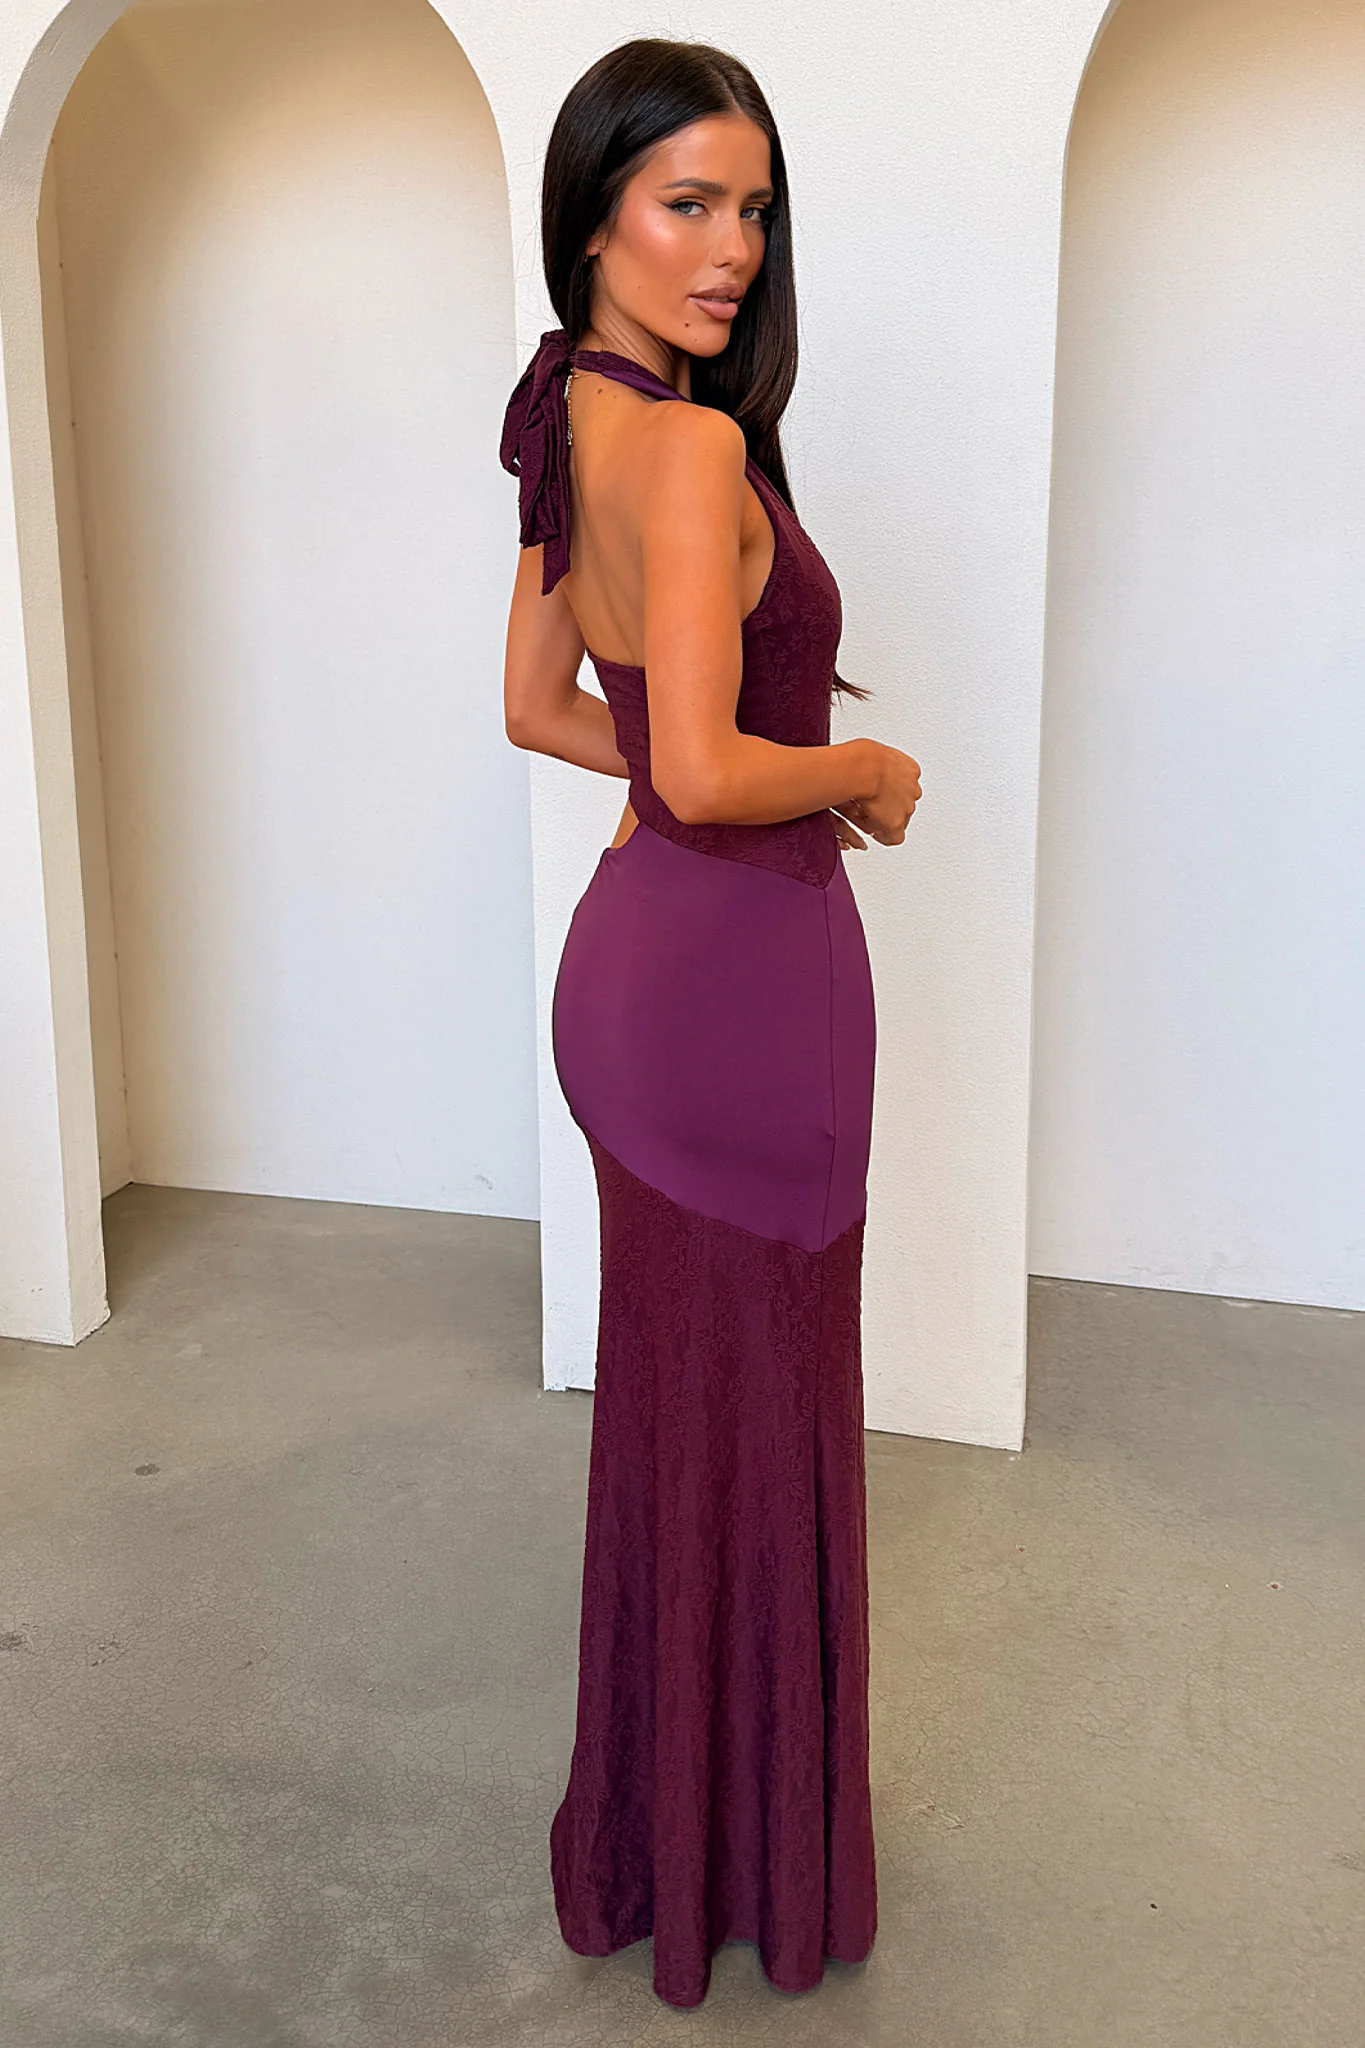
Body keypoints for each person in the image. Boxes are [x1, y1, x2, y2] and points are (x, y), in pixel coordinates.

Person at [498, 38, 921, 2010]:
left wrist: (686, 786)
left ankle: (667, 1843)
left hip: (637, 982)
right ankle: (745, 1858)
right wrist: (863, 770)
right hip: (741, 995)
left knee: (683, 1410)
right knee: (759, 1409)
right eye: (687, 202)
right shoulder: (683, 450)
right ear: (595, 219)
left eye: (753, 207)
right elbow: (700, 759)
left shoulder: (566, 414)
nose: (732, 246)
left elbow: (538, 706)